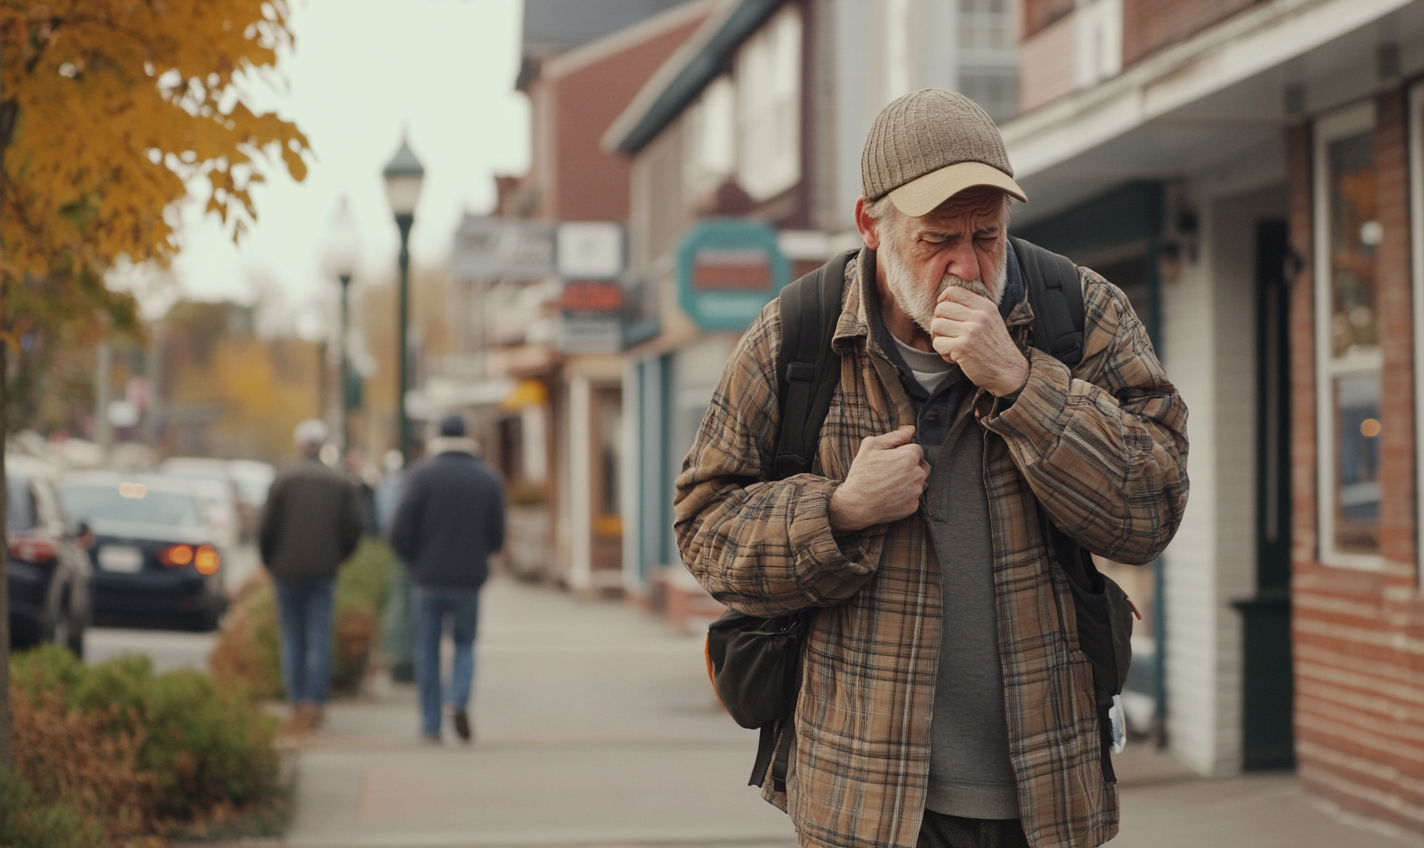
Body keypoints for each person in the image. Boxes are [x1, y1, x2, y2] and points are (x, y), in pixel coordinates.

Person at [674, 89, 1189, 848]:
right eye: (936, 238)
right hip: (862, 801)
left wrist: (1022, 384)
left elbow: (1151, 510)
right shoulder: (796, 336)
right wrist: (838, 512)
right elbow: (704, 530)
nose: (967, 266)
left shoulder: (1080, 313)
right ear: (869, 225)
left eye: (988, 235)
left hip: (1045, 798)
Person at [389, 414, 506, 743]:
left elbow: (398, 532)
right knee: (465, 643)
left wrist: (415, 561)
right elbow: (497, 535)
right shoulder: (487, 478)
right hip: (469, 577)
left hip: (427, 578)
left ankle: (430, 723)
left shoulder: (421, 476)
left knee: (427, 648)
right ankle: (457, 698)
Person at [258, 419, 363, 731]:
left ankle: (296, 701)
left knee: (292, 637)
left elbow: (266, 529)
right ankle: (315, 702)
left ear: (299, 444)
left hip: (287, 572)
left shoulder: (283, 479)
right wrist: (337, 558)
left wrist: (271, 562)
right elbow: (354, 529)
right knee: (319, 637)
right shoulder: (339, 481)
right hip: (323, 572)